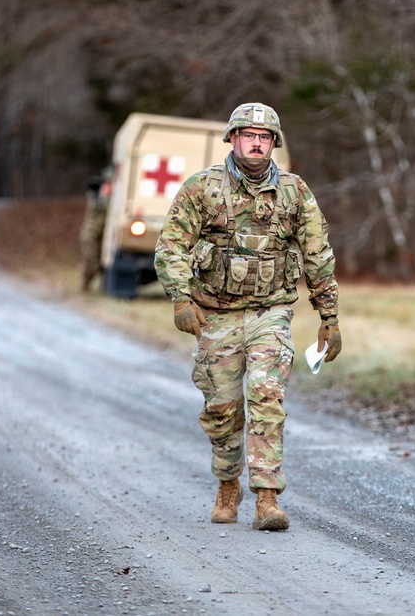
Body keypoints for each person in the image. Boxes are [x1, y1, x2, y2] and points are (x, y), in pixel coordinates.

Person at [154, 102, 341, 531]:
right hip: (216, 316)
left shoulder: (294, 192)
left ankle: (267, 498)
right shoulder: (202, 188)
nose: (256, 144)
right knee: (222, 409)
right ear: (233, 139)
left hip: (269, 313)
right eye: (248, 136)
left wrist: (329, 316)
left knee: (266, 398)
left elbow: (317, 255)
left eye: (265, 138)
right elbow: (171, 246)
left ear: (274, 143)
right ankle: (227, 482)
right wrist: (182, 299)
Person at [79, 169, 112, 292]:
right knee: (91, 260)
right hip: (90, 234)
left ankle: (98, 286)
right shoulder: (96, 197)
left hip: (100, 235)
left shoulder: (106, 198)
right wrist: (104, 194)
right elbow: (99, 206)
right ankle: (85, 284)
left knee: (100, 262)